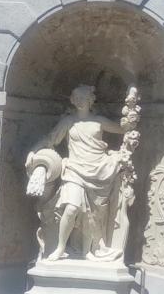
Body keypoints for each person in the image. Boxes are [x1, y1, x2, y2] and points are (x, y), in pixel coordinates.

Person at [26, 84, 130, 262]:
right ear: (73, 101)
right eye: (77, 98)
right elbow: (51, 139)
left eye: (84, 98)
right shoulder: (68, 122)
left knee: (93, 215)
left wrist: (130, 121)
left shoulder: (99, 121)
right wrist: (33, 151)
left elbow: (123, 130)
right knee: (72, 207)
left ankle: (88, 250)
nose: (81, 101)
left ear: (91, 100)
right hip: (74, 170)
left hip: (99, 171)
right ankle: (60, 248)